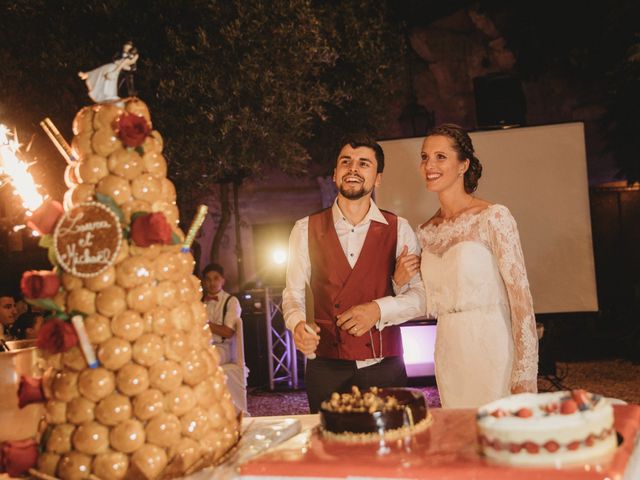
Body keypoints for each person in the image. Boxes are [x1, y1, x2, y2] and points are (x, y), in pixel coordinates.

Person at [394, 123, 538, 408]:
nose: (429, 165)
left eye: (440, 157)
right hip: (449, 352)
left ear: (463, 165)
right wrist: (398, 281)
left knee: (502, 440)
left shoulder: (493, 217)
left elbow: (521, 301)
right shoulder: (426, 231)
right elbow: (427, 301)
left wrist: (525, 372)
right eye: (424, 157)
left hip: (493, 348)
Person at [283, 134, 426, 413]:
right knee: (331, 450)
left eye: (364, 164)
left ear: (378, 178)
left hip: (383, 363)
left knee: (388, 447)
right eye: (346, 162)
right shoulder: (304, 229)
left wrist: (377, 309)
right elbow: (292, 293)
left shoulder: (399, 228)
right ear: (335, 174)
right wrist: (297, 325)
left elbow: (421, 297)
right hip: (325, 366)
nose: (353, 169)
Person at [202, 263, 242, 364]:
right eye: (208, 279)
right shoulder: (199, 302)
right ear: (204, 282)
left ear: (223, 280)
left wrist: (203, 324)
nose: (212, 283)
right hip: (201, 345)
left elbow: (228, 332)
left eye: (216, 278)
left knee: (204, 361)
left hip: (223, 348)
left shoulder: (231, 301)